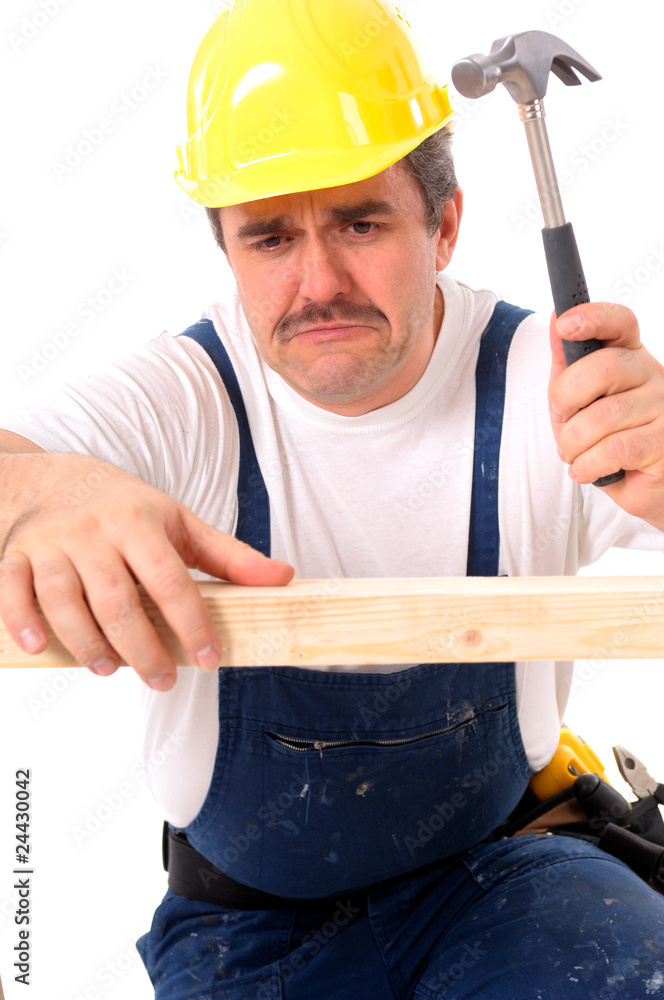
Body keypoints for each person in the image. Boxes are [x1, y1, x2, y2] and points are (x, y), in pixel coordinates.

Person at [1, 0, 664, 995]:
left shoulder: (554, 385)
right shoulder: (189, 397)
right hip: (247, 937)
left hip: (503, 880)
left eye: (360, 223)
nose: (318, 283)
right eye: (270, 238)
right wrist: (41, 490)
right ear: (227, 253)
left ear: (443, 225)